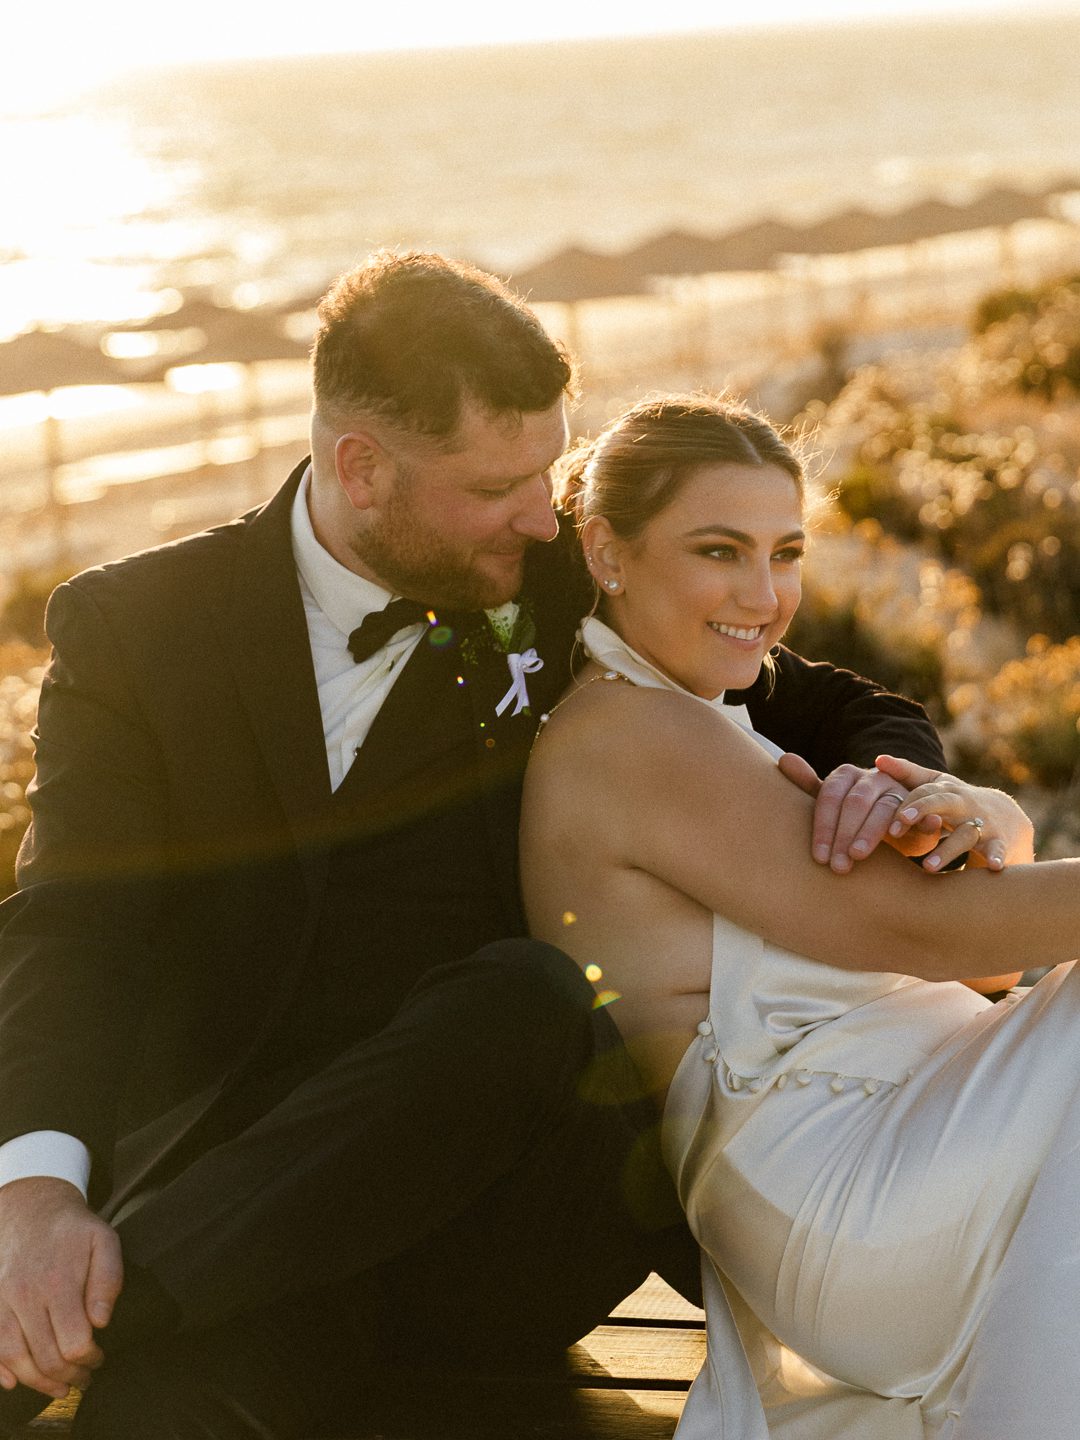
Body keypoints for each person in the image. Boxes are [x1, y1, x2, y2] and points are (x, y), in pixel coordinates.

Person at [0, 258, 948, 1440]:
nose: (544, 514)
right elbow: (72, 925)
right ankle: (108, 1317)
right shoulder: (138, 627)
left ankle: (87, 1311)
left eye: (549, 469)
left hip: (496, 1230)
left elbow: (829, 701)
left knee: (535, 995)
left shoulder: (562, 586)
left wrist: (915, 781)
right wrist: (36, 1194)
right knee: (157, 1420)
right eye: (500, 483)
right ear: (362, 467)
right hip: (242, 1241)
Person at [521, 394, 1080, 1440]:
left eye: (786, 552)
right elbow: (931, 935)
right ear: (607, 551)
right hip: (841, 1201)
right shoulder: (628, 737)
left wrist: (978, 811)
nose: (765, 595)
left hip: (906, 1154)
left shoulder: (704, 717)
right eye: (720, 551)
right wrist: (985, 852)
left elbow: (982, 946)